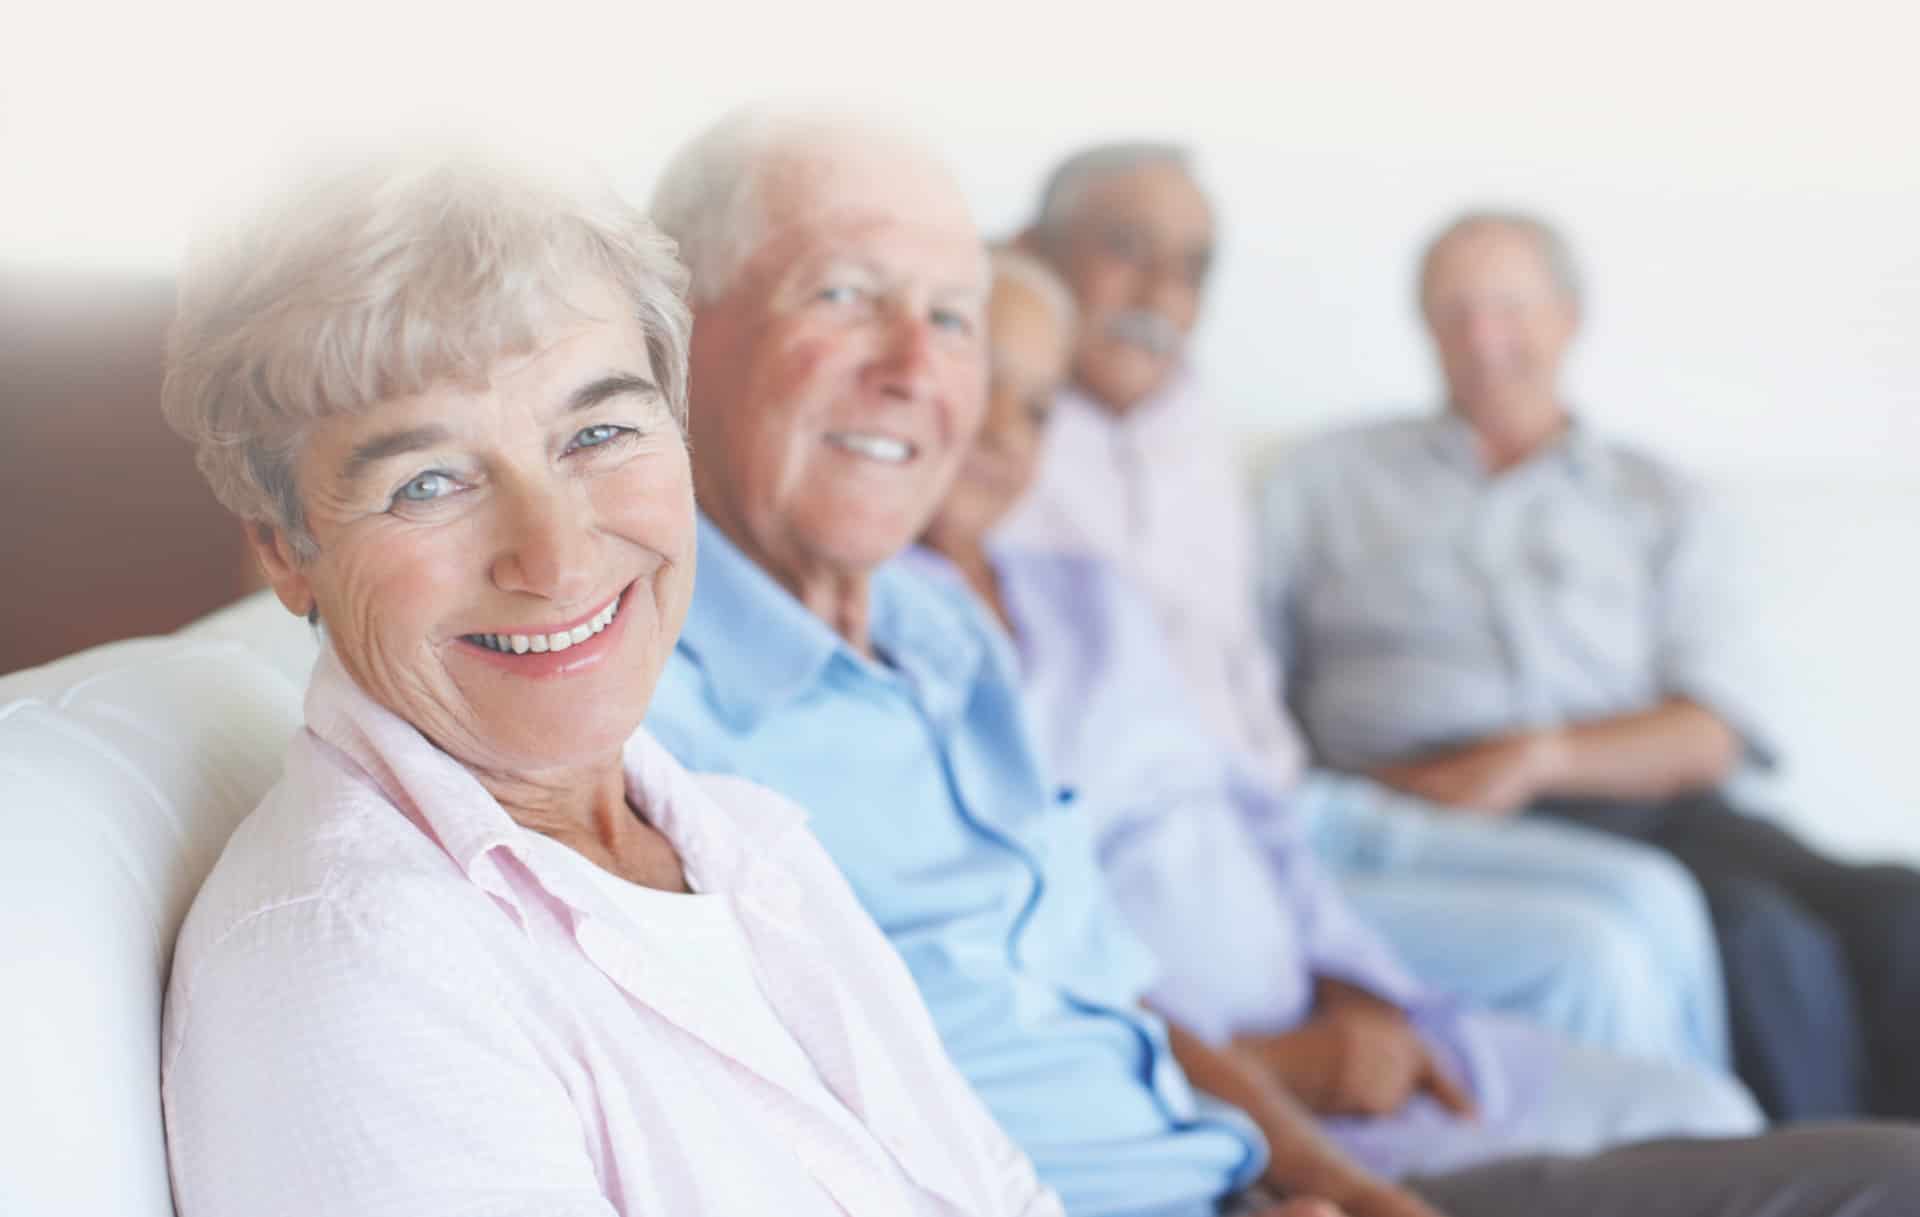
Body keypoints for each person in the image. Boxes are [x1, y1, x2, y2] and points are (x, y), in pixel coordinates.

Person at [644, 105, 1920, 1217]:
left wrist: (1329, 1174)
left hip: (1247, 1145)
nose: (923, 371)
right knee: (1653, 950)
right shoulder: (641, 702)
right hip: (1192, 1126)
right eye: (842, 292)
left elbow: (1116, 988)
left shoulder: (945, 638)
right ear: (678, 322)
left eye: (951, 317)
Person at [156, 154, 1067, 1217]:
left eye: (597, 432)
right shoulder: (351, 974)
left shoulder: (734, 836)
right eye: (429, 482)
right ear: (286, 550)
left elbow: (998, 1186)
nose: (557, 558)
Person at [910, 246, 1764, 1183]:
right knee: (1625, 1002)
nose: (1001, 431)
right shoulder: (891, 648)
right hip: (1239, 1096)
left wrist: (1358, 989)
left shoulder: (1086, 596)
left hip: (1327, 1006)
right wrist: (1278, 1074)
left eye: (1035, 407)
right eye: (982, 381)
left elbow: (1250, 810)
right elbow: (1027, 962)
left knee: (1704, 1105)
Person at [997, 142, 1726, 1071]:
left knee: (1659, 897)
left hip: (1296, 800)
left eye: (1192, 267)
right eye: (1124, 246)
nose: (1159, 293)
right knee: (1593, 951)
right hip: (1199, 834)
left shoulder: (1189, 424)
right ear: (1030, 248)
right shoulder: (992, 436)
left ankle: (1731, 1171)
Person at [1258, 207, 1920, 1122]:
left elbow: (1711, 729)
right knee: (1759, 938)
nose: (1483, 338)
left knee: (1900, 909)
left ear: (1568, 317)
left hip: (1645, 789)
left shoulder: (1658, 496)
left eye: (1509, 307)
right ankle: (1819, 1182)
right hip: (1439, 802)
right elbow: (1245, 689)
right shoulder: (1323, 482)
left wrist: (1537, 757)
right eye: (1453, 311)